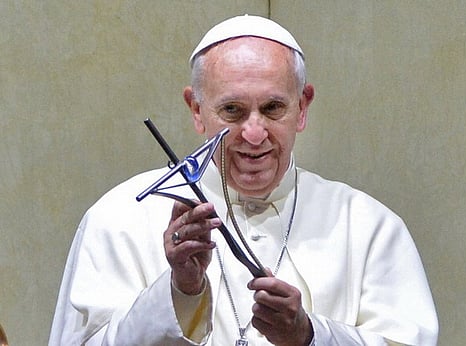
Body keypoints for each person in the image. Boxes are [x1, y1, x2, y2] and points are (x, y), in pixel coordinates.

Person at [49, 15, 438, 345]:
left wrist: (308, 335)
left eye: (273, 108)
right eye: (232, 111)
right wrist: (179, 291)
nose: (254, 133)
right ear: (197, 110)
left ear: (302, 108)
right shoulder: (117, 219)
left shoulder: (370, 227)